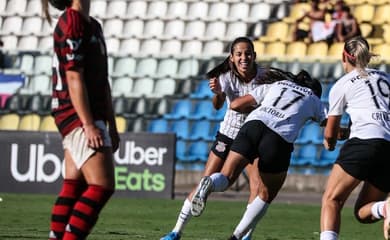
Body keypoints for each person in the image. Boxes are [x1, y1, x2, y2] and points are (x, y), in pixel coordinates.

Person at [190, 68, 328, 239]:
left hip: (253, 124)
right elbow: (331, 130)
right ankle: (237, 237)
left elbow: (235, 104)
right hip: (278, 138)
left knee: (226, 177)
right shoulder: (314, 99)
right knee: (266, 193)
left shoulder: (278, 85)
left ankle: (210, 182)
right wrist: (346, 132)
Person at [160, 37, 268, 240]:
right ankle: (176, 231)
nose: (244, 57)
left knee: (257, 187)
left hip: (253, 137)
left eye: (247, 53)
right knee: (205, 183)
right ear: (232, 57)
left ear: (254, 55)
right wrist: (218, 93)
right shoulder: (226, 76)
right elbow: (217, 105)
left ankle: (245, 235)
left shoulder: (265, 76)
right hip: (228, 133)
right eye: (239, 54)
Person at [41, 0, 120, 239]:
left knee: (74, 185)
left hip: (84, 114)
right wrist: (87, 124)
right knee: (102, 186)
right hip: (77, 114)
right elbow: (74, 77)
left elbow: (102, 81)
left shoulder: (92, 25)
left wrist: (112, 125)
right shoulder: (73, 22)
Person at [320, 36, 390, 240]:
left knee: (332, 200)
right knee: (363, 213)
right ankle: (385, 208)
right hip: (388, 148)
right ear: (367, 57)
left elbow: (329, 133)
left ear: (344, 56)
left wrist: (330, 143)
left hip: (364, 143)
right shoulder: (386, 78)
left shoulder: (342, 84)